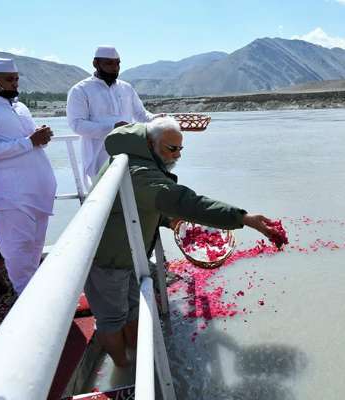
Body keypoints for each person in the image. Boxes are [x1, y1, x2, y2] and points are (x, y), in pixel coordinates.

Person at [85, 116, 281, 367]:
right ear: (149, 142)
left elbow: (138, 204)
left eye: (180, 149)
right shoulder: (139, 171)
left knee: (132, 309)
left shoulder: (138, 157)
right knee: (112, 319)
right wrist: (244, 218)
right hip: (109, 258)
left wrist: (167, 220)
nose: (177, 155)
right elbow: (182, 201)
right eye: (171, 148)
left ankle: (137, 358)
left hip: (129, 253)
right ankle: (123, 366)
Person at [0, 58, 57, 295]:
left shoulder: (20, 107)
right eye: (9, 79)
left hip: (37, 191)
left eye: (16, 78)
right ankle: (24, 298)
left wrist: (40, 137)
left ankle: (35, 292)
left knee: (35, 246)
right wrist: (29, 141)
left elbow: (28, 144)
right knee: (17, 248)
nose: (15, 83)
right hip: (10, 194)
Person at [66, 45, 159, 187]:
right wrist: (112, 128)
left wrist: (157, 119)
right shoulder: (80, 90)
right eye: (109, 63)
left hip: (130, 154)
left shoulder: (126, 88)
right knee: (105, 199)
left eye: (117, 63)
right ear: (95, 64)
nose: (115, 67)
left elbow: (141, 114)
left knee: (131, 197)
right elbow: (77, 125)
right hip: (98, 157)